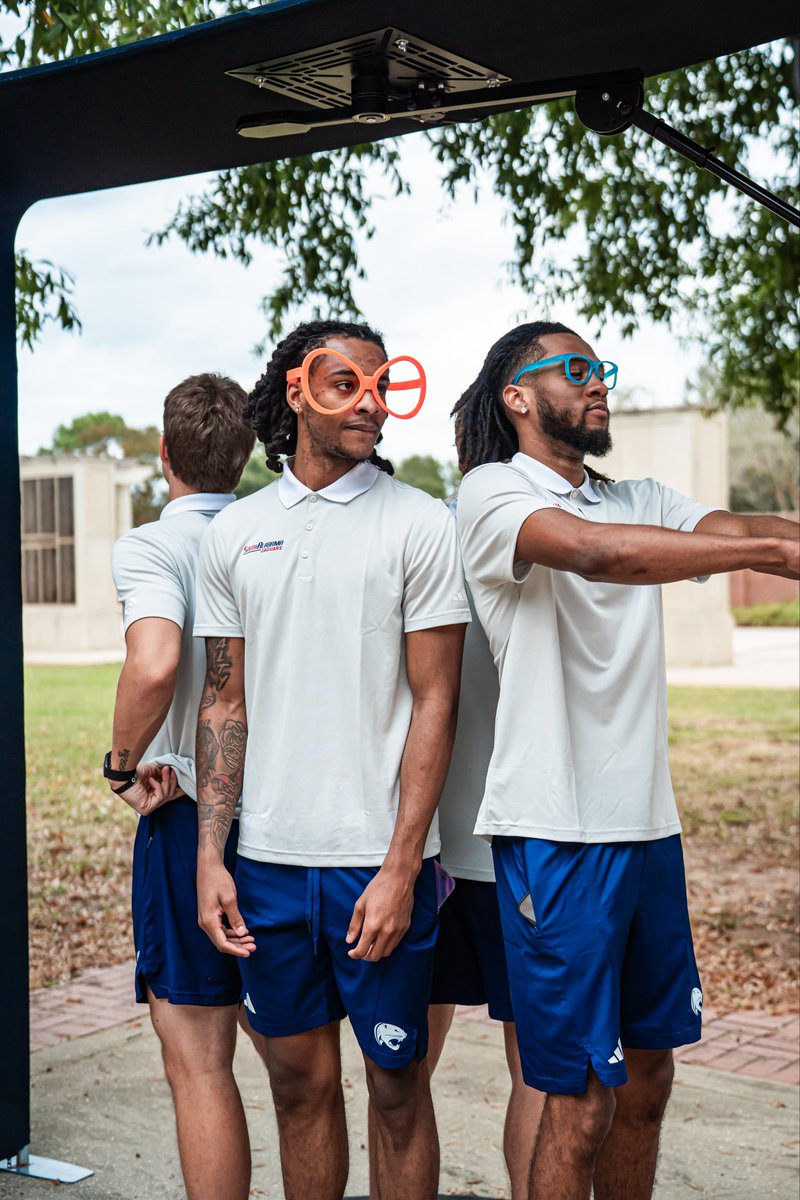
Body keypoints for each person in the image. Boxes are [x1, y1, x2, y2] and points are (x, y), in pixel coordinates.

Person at [453, 320, 799, 1200]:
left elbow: (747, 522)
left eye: (601, 366)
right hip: (554, 835)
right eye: (575, 369)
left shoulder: (636, 494)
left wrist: (776, 536)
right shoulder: (493, 493)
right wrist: (765, 555)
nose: (598, 379)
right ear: (517, 396)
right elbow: (597, 556)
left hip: (647, 831)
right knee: (579, 1100)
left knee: (646, 1084)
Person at [193, 320, 470, 1200]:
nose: (371, 401)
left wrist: (399, 868)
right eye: (346, 382)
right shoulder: (232, 533)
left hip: (376, 867)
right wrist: (211, 855)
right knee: (297, 1087)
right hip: (268, 866)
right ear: (297, 388)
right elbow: (222, 701)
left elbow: (437, 701)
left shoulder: (422, 525)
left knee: (396, 1091)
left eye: (382, 384)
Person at [106, 373, 255, 1200]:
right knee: (304, 1066)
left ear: (164, 454)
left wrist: (121, 764)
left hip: (192, 811)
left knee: (200, 1063)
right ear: (244, 456)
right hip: (292, 818)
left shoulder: (153, 545)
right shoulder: (279, 533)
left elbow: (156, 662)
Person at [427, 477, 543, 1200]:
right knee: (539, 1069)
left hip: (429, 845)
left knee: (399, 1073)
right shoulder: (550, 533)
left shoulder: (420, 531)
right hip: (509, 848)